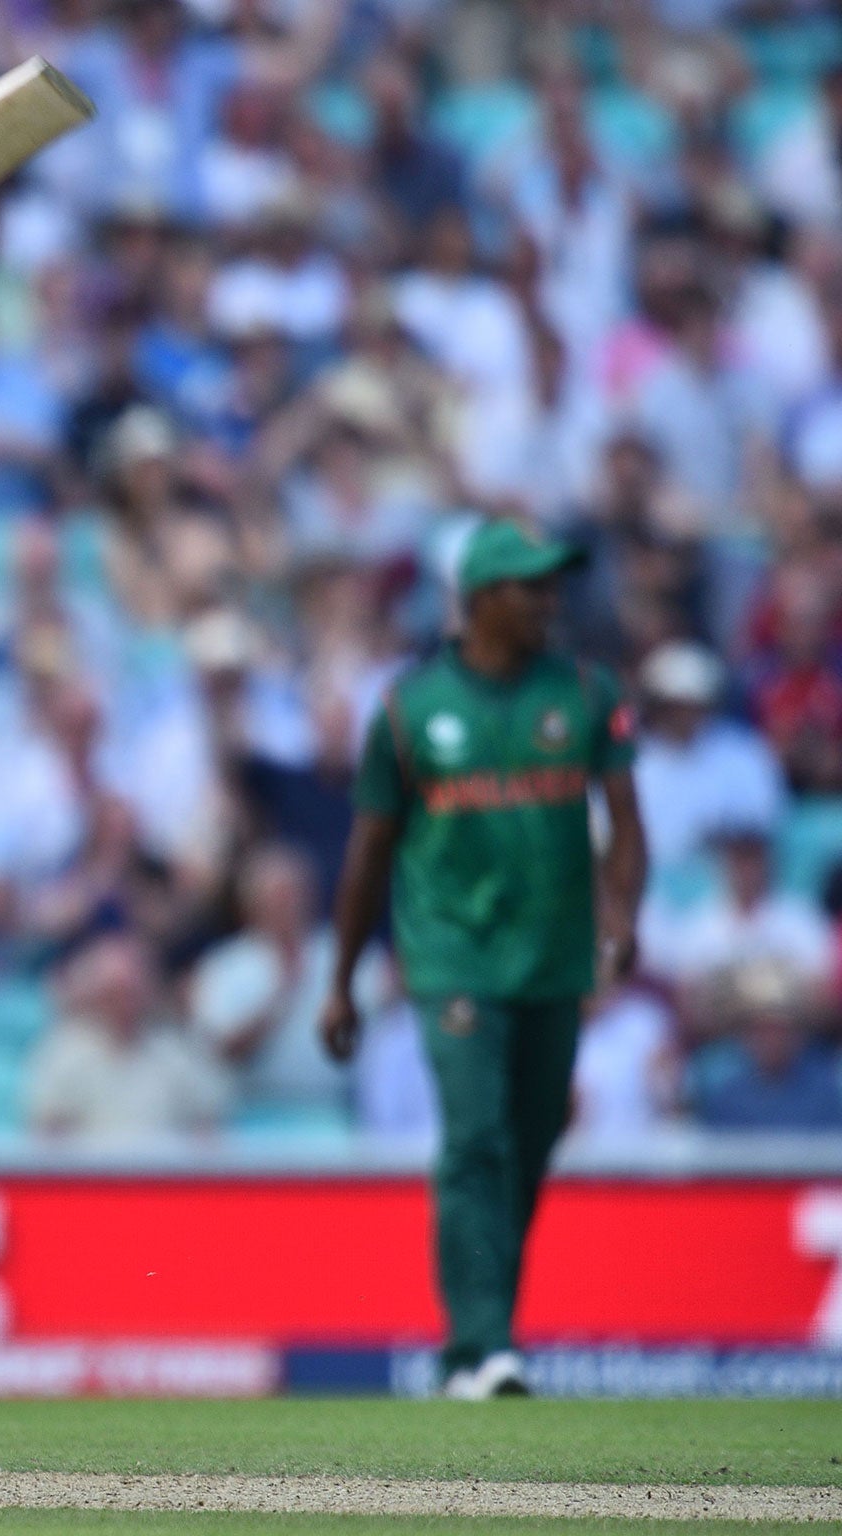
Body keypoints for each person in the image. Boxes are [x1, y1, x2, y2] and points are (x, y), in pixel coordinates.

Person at [318, 519, 647, 1400]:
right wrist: (342, 980)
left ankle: (474, 1348)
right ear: (480, 600)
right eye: (531, 588)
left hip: (553, 960)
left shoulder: (584, 691)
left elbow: (625, 826)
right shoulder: (409, 708)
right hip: (452, 957)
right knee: (475, 1138)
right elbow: (368, 855)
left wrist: (623, 917)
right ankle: (484, 1342)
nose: (550, 602)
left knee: (531, 1146)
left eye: (553, 586)